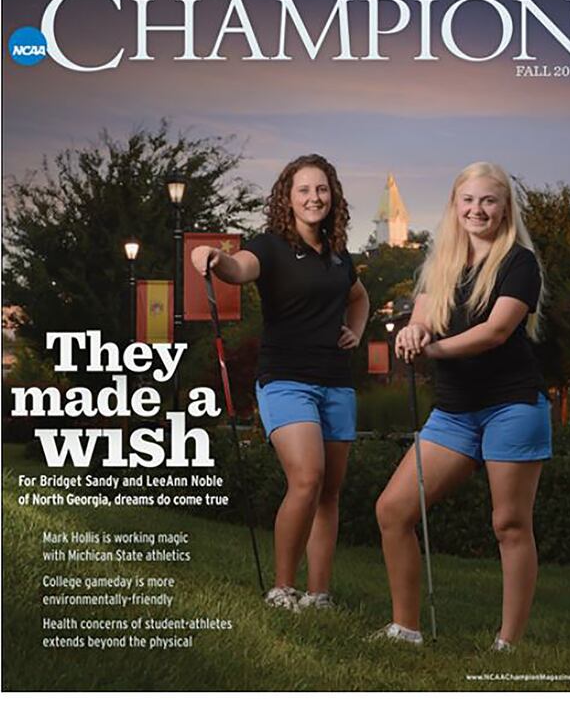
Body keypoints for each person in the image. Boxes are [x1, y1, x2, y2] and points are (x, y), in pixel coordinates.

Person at [374, 161, 551, 649]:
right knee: (393, 510)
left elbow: (495, 331)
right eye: (468, 200)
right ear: (455, 205)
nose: (477, 209)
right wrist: (412, 331)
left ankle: (508, 643)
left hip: (511, 406)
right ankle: (405, 628)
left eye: (488, 201)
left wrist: (430, 351)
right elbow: (425, 319)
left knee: (509, 524)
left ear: (504, 208)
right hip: (453, 412)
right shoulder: (442, 262)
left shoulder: (519, 263)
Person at [191, 154, 369, 611]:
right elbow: (240, 268)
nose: (314, 197)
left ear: (333, 197)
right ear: (287, 199)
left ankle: (319, 594)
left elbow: (359, 297)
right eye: (304, 190)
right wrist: (214, 258)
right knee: (307, 479)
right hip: (286, 380)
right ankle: (282, 588)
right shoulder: (269, 247)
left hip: (336, 382)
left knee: (328, 491)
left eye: (322, 189)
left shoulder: (339, 257)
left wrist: (357, 328)